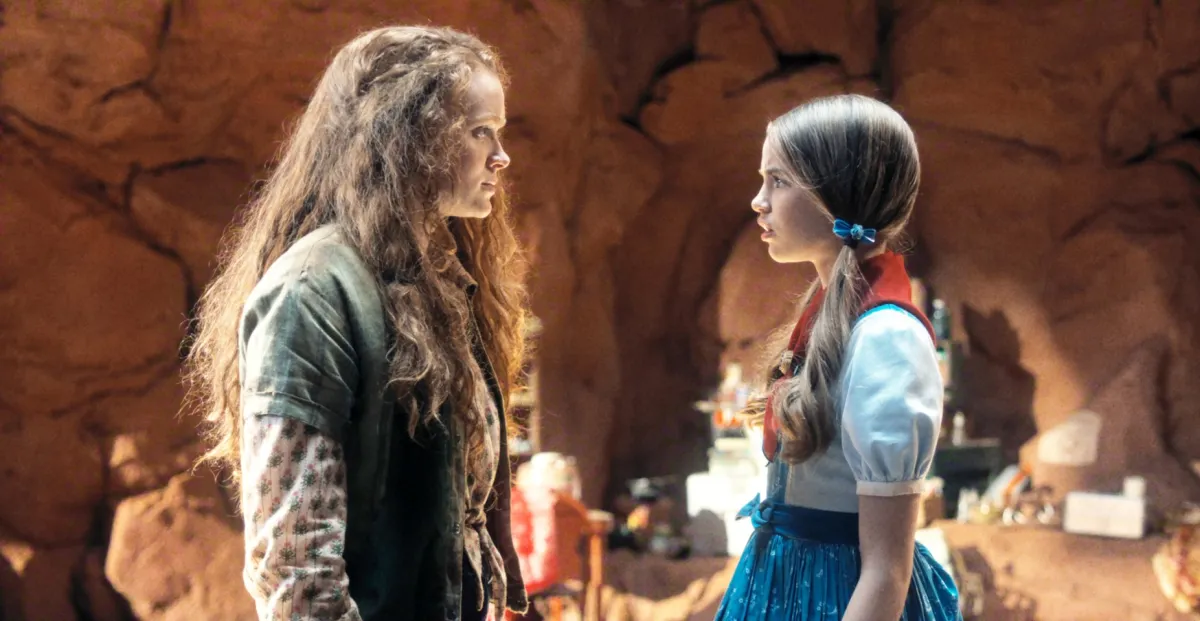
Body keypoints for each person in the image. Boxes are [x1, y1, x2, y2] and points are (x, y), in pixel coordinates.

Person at [185, 25, 529, 621]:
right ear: (411, 135)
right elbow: (296, 568)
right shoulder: (311, 292)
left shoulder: (439, 280)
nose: (501, 156)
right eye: (480, 131)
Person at [715, 94, 962, 620]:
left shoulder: (886, 337)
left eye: (779, 181)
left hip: (836, 595)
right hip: (788, 583)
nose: (758, 201)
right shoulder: (831, 314)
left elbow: (887, 569)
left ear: (837, 193)